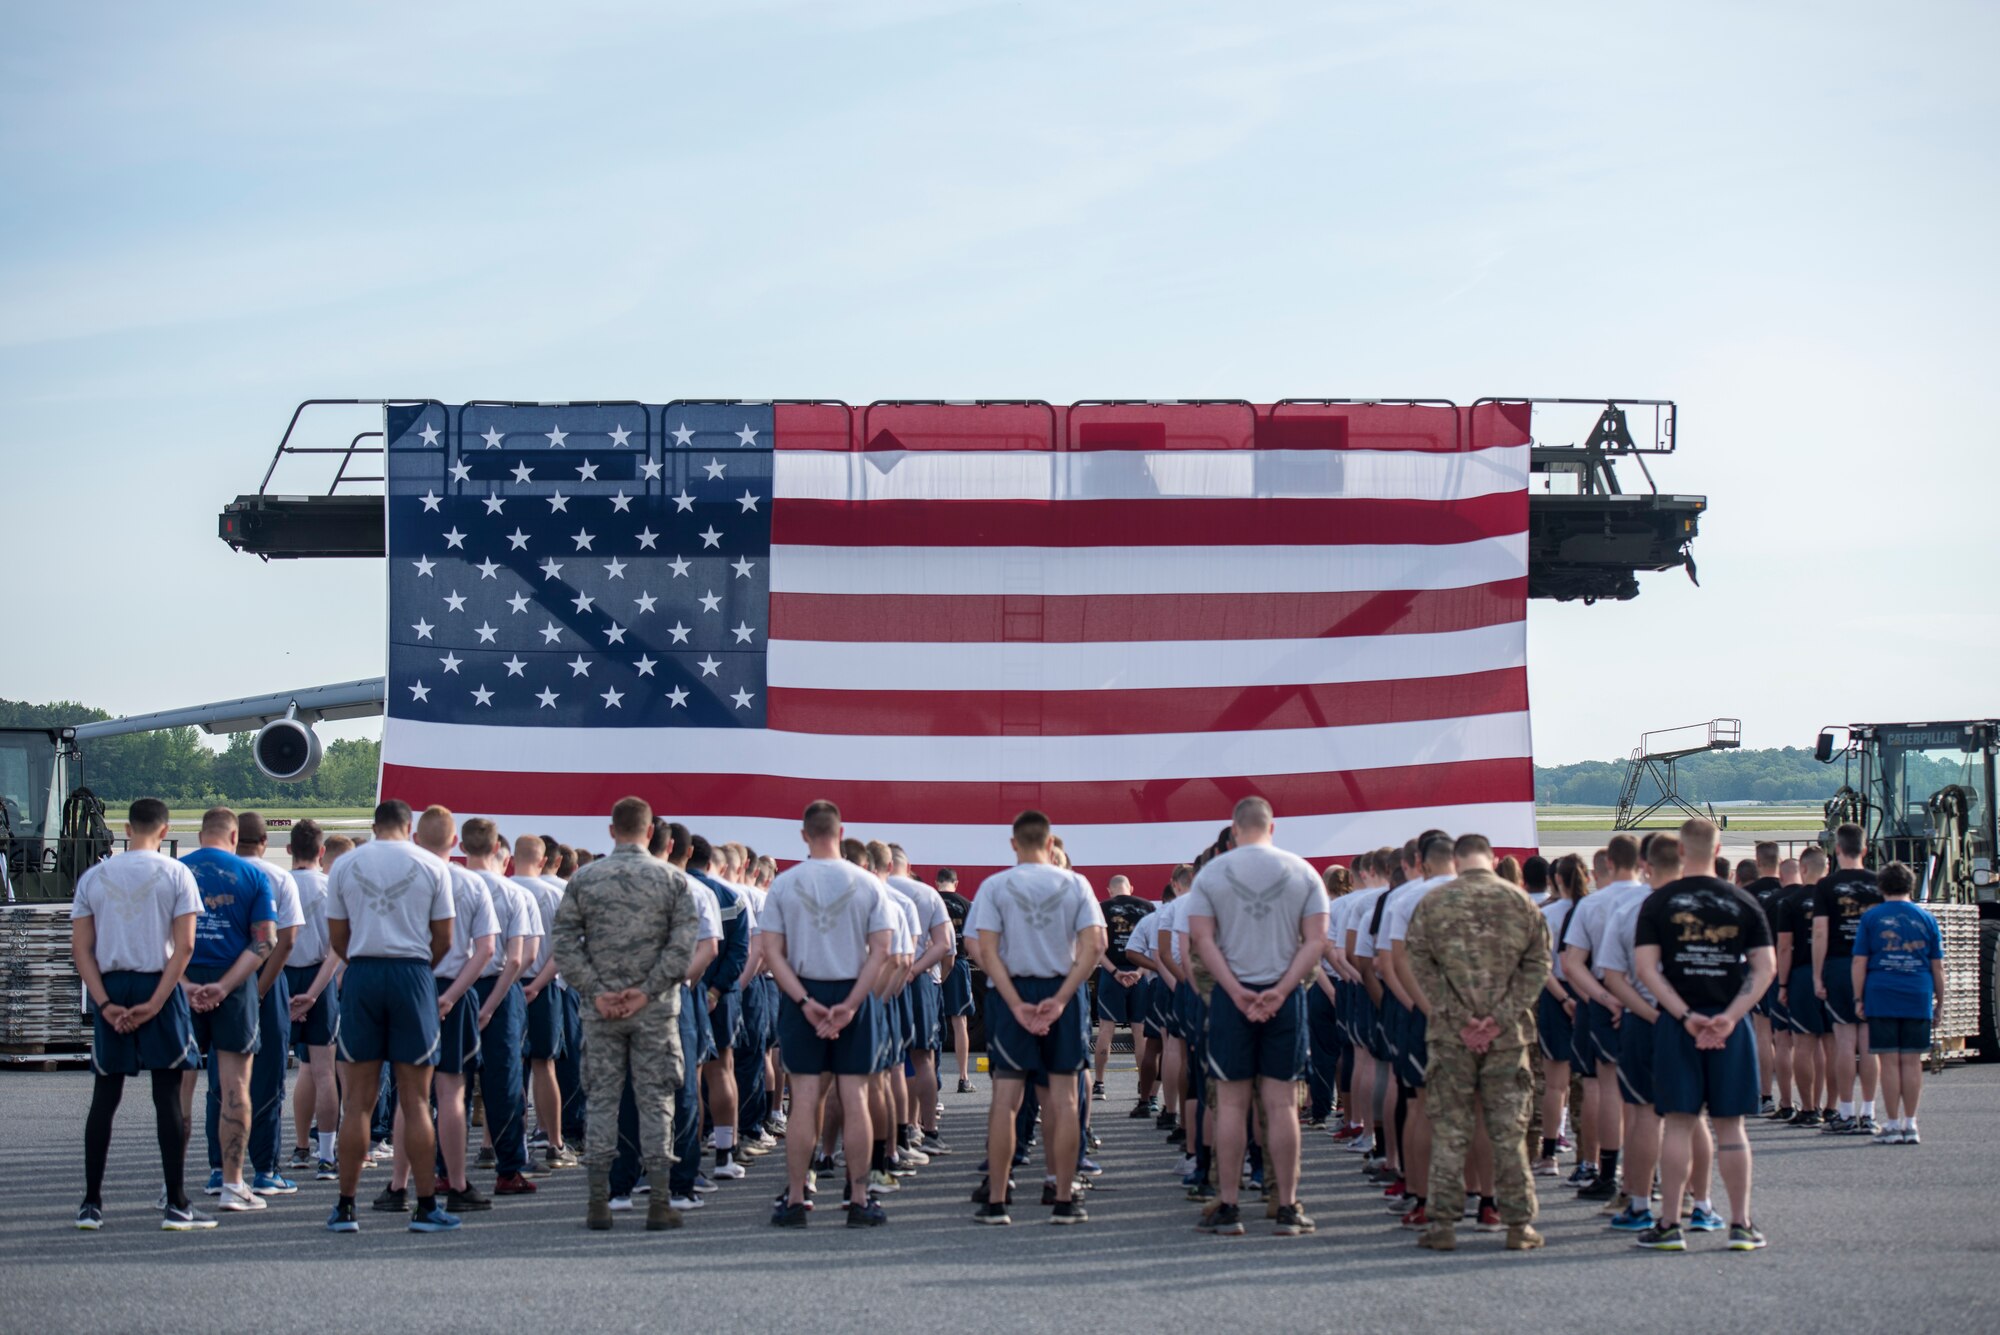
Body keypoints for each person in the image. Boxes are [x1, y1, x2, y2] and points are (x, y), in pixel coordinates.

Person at [551, 797, 700, 1231]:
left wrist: (597, 992)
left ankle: (599, 1200)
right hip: (654, 1011)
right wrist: (647, 992)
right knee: (656, 1101)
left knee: (602, 1101)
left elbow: (563, 943)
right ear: (651, 831)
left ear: (612, 830)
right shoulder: (672, 880)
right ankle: (658, 1201)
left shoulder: (584, 880)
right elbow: (682, 947)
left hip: (601, 1012)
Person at [1184, 797, 1328, 1238]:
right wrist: (1281, 990)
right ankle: (1286, 1206)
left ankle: (1229, 1205)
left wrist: (1235, 991)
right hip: (1285, 999)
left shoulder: (1211, 874)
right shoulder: (1304, 872)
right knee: (1282, 1103)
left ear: (1234, 828)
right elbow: (1316, 940)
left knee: (1231, 1103)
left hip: (1233, 998)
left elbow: (1202, 942)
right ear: (1272, 826)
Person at [1632, 820, 1775, 1253]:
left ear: (1678, 849)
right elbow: (1764, 968)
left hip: (1680, 1025)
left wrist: (1684, 1015)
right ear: (1718, 849)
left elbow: (1645, 969)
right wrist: (1730, 1017)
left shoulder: (1659, 902)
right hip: (1730, 1024)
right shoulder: (1743, 902)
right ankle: (1740, 1224)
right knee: (1731, 1129)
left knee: (1677, 1123)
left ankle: (1671, 1224)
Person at [1403, 832, 1550, 1252]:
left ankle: (1444, 1225)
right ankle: (1518, 1225)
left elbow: (1419, 965)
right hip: (1507, 1039)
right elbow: (1539, 965)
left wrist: (1461, 1017)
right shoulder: (1520, 902)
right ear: (1492, 858)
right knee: (1508, 1134)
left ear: (1455, 859)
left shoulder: (1433, 903)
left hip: (1451, 1036)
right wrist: (1497, 1019)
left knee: (1451, 1131)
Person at [71, 798, 213, 1231]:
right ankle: (176, 1203)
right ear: (165, 829)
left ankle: (91, 1204)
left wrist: (105, 1002)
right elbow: (185, 946)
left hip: (111, 984)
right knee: (166, 1095)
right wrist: (155, 1002)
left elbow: (82, 949)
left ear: (126, 829)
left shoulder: (94, 876)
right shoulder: (176, 873)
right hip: (158, 982)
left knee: (105, 1098)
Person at [323, 799, 460, 1234]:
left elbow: (338, 937)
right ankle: (425, 1207)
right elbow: (445, 938)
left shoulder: (346, 865)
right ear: (410, 826)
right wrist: (417, 967)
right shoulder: (432, 865)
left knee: (358, 1103)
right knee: (416, 1099)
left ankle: (345, 1207)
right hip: (412, 973)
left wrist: (364, 961)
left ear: (375, 825)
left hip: (362, 971)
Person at [761, 800, 898, 1229]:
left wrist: (805, 1002)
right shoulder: (869, 884)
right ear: (841, 832)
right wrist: (852, 1004)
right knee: (856, 1097)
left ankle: (798, 1197)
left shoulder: (785, 884)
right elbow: (882, 953)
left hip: (805, 994)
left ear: (804, 835)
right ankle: (859, 1198)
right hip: (854, 992)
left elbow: (771, 953)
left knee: (803, 1099)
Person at [967, 810, 1106, 1225]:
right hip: (1060, 990)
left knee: (1006, 1100)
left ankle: (996, 1200)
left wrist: (1014, 1003)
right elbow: (1095, 946)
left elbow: (985, 950)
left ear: (1014, 844)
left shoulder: (996, 886)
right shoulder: (1075, 883)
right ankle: (1063, 1196)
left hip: (1012, 993)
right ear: (1050, 844)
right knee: (1062, 1101)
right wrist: (1062, 999)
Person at [1598, 835, 1722, 1236]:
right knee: (1693, 1116)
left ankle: (1638, 1202)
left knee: (1643, 1115)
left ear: (1646, 865)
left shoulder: (1628, 908)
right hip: (1695, 1016)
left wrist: (1648, 1013)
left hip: (1644, 1016)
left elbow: (1614, 976)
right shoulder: (1705, 905)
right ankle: (1699, 1202)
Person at [392, 806, 495, 1217]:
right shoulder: (471, 883)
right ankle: (456, 1183)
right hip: (455, 988)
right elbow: (485, 949)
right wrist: (453, 994)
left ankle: (398, 1184)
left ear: (416, 840)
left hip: (411, 985)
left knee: (409, 1093)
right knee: (452, 1091)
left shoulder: (404, 880)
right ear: (454, 842)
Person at [178, 807, 278, 1214]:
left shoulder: (177, 871)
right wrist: (226, 985)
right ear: (235, 838)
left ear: (202, 836)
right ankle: (234, 1184)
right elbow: (265, 942)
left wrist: (183, 985)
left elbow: (160, 939)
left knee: (179, 1089)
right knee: (236, 1087)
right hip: (233, 985)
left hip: (182, 981)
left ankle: (174, 1187)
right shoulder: (254, 876)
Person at [1558, 835, 1648, 1202]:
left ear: (1608, 862)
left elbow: (1570, 962)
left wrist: (1603, 998)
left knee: (1604, 1086)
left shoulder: (1593, 904)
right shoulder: (1651, 900)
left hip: (1601, 995)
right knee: (1646, 1095)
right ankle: (1647, 1174)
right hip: (1649, 1000)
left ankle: (1606, 1171)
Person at [464, 817, 541, 1195]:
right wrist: (494, 1005)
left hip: (457, 985)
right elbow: (520, 959)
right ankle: (508, 1168)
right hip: (501, 986)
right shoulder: (515, 894)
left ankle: (446, 1169)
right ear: (498, 849)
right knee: (505, 1082)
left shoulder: (450, 883)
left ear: (463, 847)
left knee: (450, 1083)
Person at [1852, 861, 1943, 1144]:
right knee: (1912, 1061)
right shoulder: (1926, 918)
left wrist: (1858, 997)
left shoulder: (1871, 918)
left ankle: (1892, 1125)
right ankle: (1911, 1123)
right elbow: (1937, 965)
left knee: (1889, 1061)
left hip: (1882, 992)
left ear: (1881, 887)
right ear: (1910, 885)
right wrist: (1940, 1001)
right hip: (1917, 992)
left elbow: (1859, 961)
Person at [1813, 822, 1882, 1135]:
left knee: (1843, 1042)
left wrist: (1817, 974)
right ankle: (1868, 1113)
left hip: (1839, 964)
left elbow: (1821, 931)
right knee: (1869, 1042)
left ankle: (1844, 1111)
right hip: (1872, 967)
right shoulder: (1878, 883)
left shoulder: (1826, 887)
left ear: (1836, 850)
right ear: (1864, 850)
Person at [283, 820, 342, 1182]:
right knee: (323, 1071)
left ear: (289, 850)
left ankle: (299, 1147)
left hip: (281, 977)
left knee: (279, 1070)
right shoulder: (330, 887)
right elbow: (338, 949)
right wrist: (314, 994)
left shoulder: (277, 884)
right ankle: (325, 1155)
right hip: (320, 978)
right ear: (321, 852)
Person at [513, 835, 572, 1169]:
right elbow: (563, 949)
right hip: (544, 983)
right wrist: (538, 984)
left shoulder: (501, 889)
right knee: (544, 1065)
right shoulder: (556, 893)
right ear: (546, 860)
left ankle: (501, 1143)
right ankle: (553, 1141)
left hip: (504, 983)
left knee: (507, 1066)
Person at [1532, 853, 1585, 1177]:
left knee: (1555, 1084)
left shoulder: (1547, 915)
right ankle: (1590, 1159)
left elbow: (1542, 966)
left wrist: (1563, 998)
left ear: (1556, 881)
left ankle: (1549, 1153)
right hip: (1593, 992)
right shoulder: (1593, 910)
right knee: (1592, 1084)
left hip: (1556, 993)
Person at [1776, 846, 1830, 1124]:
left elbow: (1784, 947)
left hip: (1802, 972)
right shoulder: (1833, 899)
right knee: (1831, 1044)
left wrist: (1782, 984)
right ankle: (1832, 1105)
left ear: (1803, 869)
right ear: (1827, 868)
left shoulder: (1791, 902)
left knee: (1803, 1044)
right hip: (1832, 972)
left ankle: (1809, 1107)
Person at [1093, 875, 1153, 1101]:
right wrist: (1138, 972)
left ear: (1110, 890)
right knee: (1140, 1032)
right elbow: (1151, 947)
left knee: (1106, 1029)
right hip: (1140, 973)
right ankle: (1143, 1086)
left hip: (1112, 974)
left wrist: (1116, 973)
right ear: (1131, 888)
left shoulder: (1101, 908)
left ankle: (1099, 1084)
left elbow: (1098, 948)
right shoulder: (1147, 907)